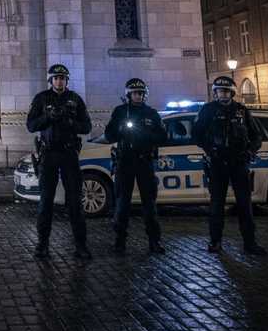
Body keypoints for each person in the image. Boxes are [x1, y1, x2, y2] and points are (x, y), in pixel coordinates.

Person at [193, 75, 267, 255]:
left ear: (232, 92)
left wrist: (249, 152)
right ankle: (215, 242)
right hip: (218, 164)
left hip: (239, 163)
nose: (222, 94)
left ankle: (250, 243)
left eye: (226, 91)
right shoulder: (208, 110)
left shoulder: (241, 111)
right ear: (215, 93)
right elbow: (196, 135)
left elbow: (257, 136)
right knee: (217, 205)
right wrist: (210, 149)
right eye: (219, 91)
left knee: (245, 205)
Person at [26, 63, 93, 259]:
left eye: (62, 78)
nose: (59, 81)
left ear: (66, 80)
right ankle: (42, 245)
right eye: (56, 78)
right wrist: (47, 117)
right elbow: (31, 125)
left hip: (69, 154)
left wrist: (71, 122)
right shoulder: (41, 98)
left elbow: (87, 126)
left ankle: (81, 246)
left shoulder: (75, 99)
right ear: (51, 80)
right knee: (46, 202)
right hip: (48, 155)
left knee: (74, 202)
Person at [104, 78, 167, 254]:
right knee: (122, 203)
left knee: (149, 204)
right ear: (129, 94)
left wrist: (147, 135)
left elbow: (163, 136)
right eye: (135, 93)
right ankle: (120, 241)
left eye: (141, 93)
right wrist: (121, 130)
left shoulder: (151, 113)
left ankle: (154, 241)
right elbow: (109, 135)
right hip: (125, 161)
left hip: (144, 161)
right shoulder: (120, 112)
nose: (138, 96)